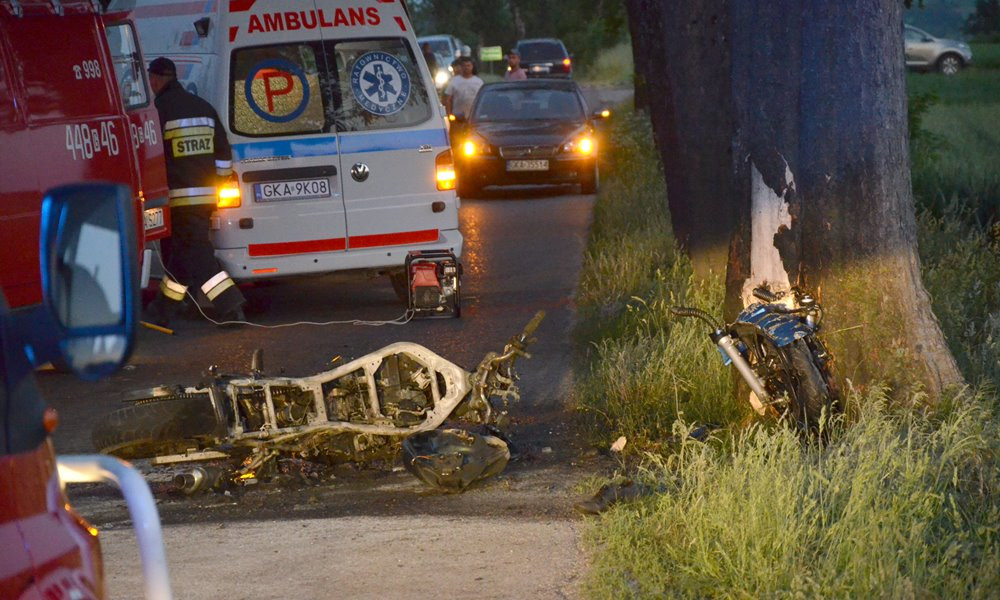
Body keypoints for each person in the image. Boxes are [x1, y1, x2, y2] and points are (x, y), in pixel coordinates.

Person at [143, 57, 246, 327]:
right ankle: (164, 308)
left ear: (154, 80)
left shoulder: (159, 111)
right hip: (208, 197)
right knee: (181, 253)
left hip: (177, 199)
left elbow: (153, 157)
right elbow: (223, 154)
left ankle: (230, 304)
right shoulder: (204, 108)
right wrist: (219, 184)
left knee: (197, 253)